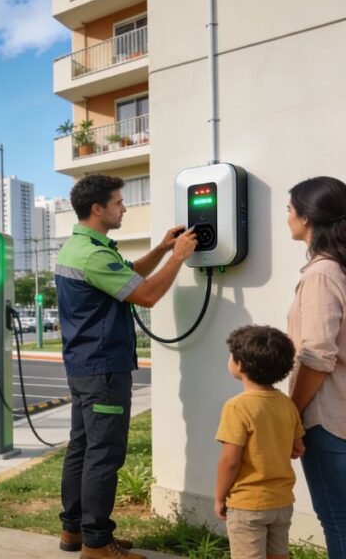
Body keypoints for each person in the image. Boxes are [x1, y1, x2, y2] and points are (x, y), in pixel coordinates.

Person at [55, 174, 197, 559]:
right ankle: (97, 545)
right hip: (103, 369)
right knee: (103, 454)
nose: (124, 207)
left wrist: (165, 249)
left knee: (83, 449)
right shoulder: (93, 254)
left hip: (85, 367)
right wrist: (181, 258)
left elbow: (128, 274)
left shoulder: (82, 248)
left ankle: (75, 533)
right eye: (119, 202)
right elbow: (146, 294)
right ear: (98, 209)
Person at [286, 176, 346, 557]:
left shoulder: (323, 274)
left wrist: (290, 413)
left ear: (307, 218)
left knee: (337, 519)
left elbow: (318, 355)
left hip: (327, 418)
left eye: (289, 210)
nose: (287, 217)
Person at [215, 325, 304, 559]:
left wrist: (219, 497)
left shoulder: (237, 407)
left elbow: (229, 461)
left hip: (248, 504)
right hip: (282, 503)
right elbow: (298, 448)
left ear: (240, 365)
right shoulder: (287, 403)